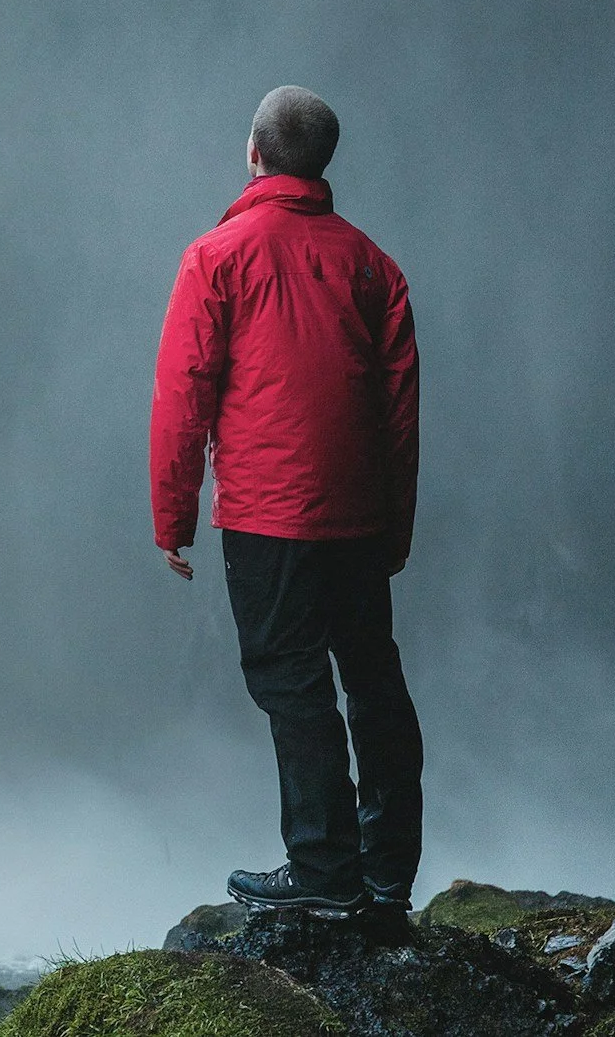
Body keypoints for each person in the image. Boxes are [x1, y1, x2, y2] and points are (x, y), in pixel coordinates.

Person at [149, 85, 424, 922]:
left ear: (254, 153)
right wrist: (395, 528)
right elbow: (401, 410)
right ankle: (386, 875)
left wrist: (173, 518)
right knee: (372, 675)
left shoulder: (216, 256)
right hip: (357, 515)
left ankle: (322, 869)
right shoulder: (375, 265)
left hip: (268, 516)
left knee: (291, 681)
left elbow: (181, 394)